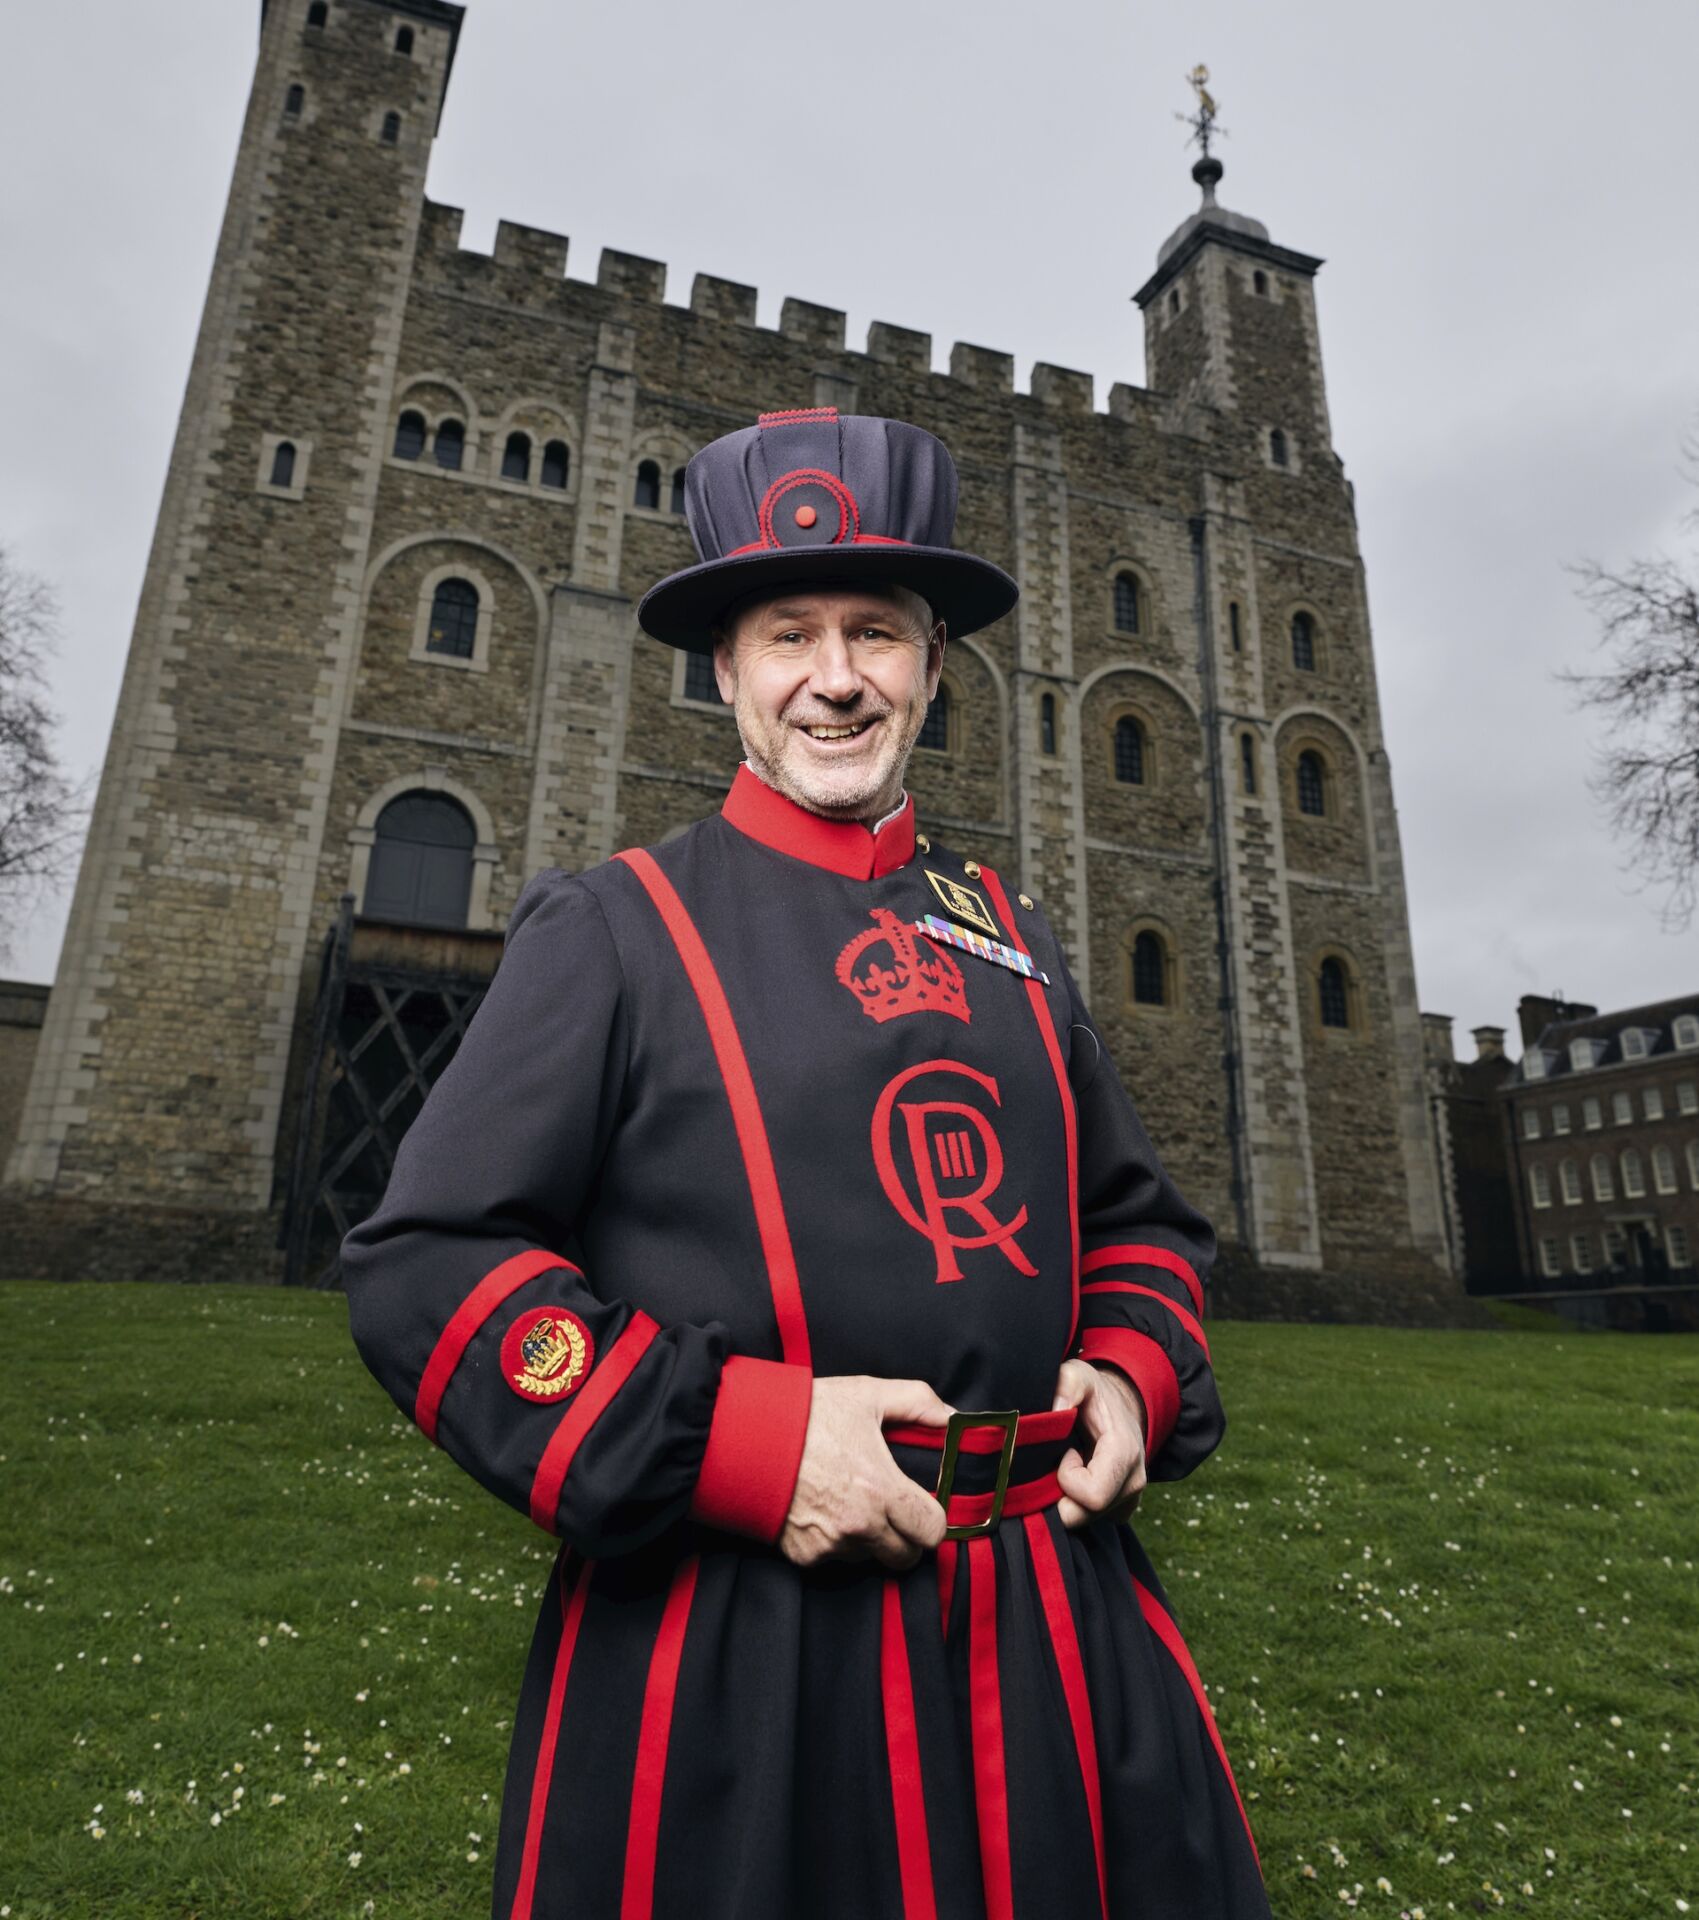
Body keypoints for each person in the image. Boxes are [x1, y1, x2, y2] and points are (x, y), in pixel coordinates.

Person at [341, 406, 1270, 1920]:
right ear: (728, 673)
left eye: (877, 635)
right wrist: (747, 1445)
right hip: (737, 1664)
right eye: (789, 634)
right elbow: (426, 1266)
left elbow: (1142, 1228)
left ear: (932, 668)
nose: (835, 678)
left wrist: (1128, 1375)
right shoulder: (616, 926)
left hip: (1059, 1635)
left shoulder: (1016, 941)